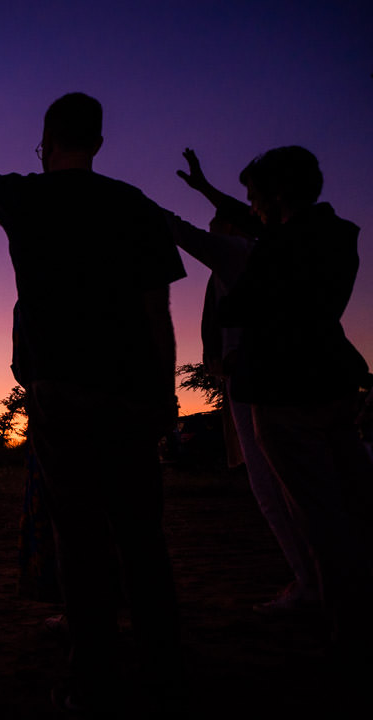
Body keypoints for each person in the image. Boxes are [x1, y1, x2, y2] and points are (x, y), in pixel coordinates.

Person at [0, 92, 187, 715]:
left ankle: (93, 681)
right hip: (131, 393)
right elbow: (156, 314)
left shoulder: (25, 197)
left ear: (47, 137)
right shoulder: (135, 205)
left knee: (80, 538)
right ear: (99, 141)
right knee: (142, 535)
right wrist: (164, 395)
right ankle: (164, 671)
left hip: (61, 392)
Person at [177, 145, 373, 655]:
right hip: (331, 384)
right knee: (353, 504)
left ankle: (342, 626)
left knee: (316, 514)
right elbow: (255, 223)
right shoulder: (334, 236)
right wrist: (204, 188)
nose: (251, 209)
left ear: (278, 195)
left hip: (283, 391)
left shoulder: (276, 251)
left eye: (255, 199)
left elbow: (242, 305)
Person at [173, 152, 320, 612]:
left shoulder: (239, 254)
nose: (219, 221)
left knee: (273, 488)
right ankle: (316, 580)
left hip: (255, 381)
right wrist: (203, 186)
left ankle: (313, 584)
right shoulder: (265, 252)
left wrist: (135, 204)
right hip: (257, 379)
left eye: (250, 201)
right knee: (287, 485)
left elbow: (185, 232)